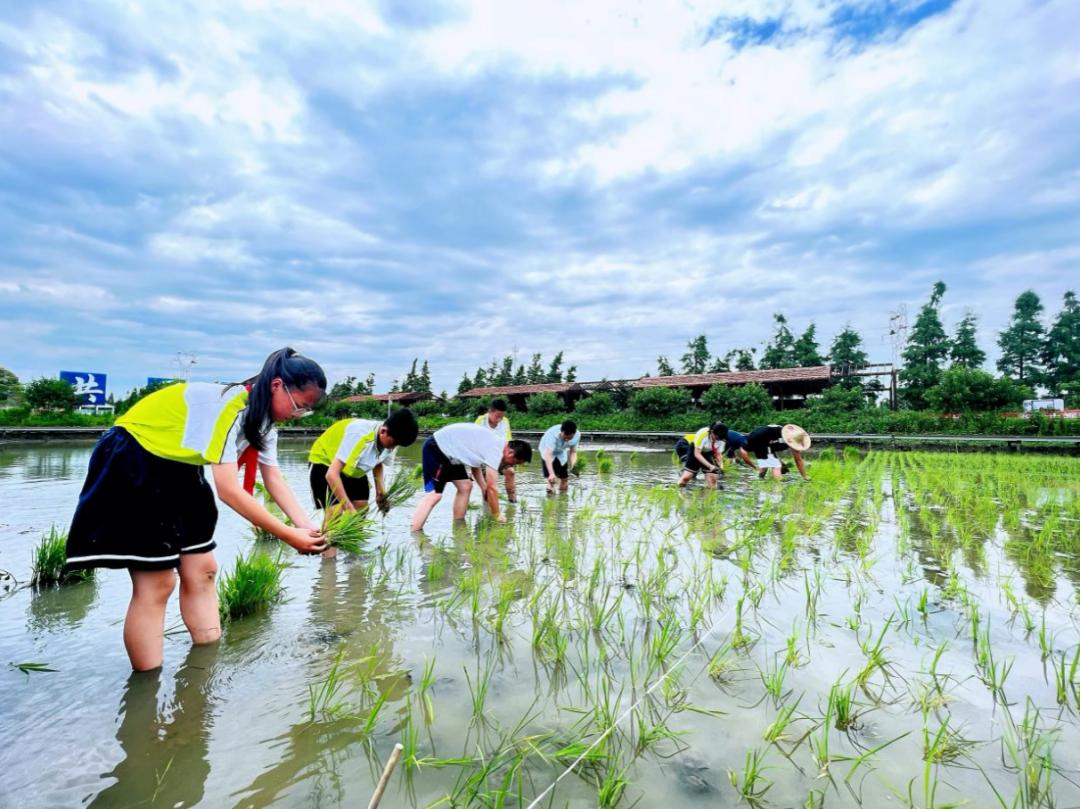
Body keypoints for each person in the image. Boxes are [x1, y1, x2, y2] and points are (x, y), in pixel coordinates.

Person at [65, 348, 328, 671]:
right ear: (277, 386)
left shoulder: (263, 422)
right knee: (157, 583)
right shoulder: (231, 408)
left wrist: (308, 527)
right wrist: (289, 535)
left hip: (179, 467)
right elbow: (229, 490)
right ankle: (146, 695)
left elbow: (272, 477)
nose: (299, 415)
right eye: (300, 406)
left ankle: (204, 673)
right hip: (136, 456)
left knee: (202, 570)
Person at [410, 422, 532, 531]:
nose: (511, 466)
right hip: (437, 448)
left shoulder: (493, 444)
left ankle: (458, 527)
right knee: (434, 495)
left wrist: (482, 486)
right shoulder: (496, 449)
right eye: (514, 463)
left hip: (452, 453)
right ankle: (414, 532)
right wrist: (497, 515)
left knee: (465, 486)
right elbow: (493, 488)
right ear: (510, 452)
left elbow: (475, 466)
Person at [308, 409, 419, 513]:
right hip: (325, 462)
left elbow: (378, 462)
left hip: (352, 466)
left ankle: (355, 532)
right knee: (336, 511)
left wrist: (380, 492)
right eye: (394, 444)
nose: (393, 449)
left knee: (362, 507)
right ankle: (329, 533)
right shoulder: (358, 434)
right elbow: (331, 475)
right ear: (383, 431)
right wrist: (348, 508)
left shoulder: (392, 439)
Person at [475, 398, 517, 502]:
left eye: (502, 417)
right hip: (484, 457)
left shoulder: (505, 421)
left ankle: (512, 501)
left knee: (510, 472)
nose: (499, 420)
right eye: (497, 416)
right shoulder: (481, 420)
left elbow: (508, 441)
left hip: (500, 454)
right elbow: (474, 442)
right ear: (490, 411)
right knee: (489, 483)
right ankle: (487, 506)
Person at [745, 423, 812, 481]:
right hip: (759, 439)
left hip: (755, 436)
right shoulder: (790, 440)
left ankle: (759, 480)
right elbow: (798, 460)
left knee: (766, 464)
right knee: (777, 466)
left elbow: (771, 448)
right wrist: (805, 476)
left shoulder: (785, 433)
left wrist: (781, 462)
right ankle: (777, 486)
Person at [675, 422, 726, 488]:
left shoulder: (723, 439)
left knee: (712, 479)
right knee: (687, 477)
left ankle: (707, 496)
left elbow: (718, 454)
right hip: (695, 450)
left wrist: (721, 467)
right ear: (712, 432)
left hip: (708, 452)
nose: (717, 440)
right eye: (716, 437)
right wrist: (710, 466)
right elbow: (697, 454)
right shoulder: (703, 434)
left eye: (719, 439)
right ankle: (678, 491)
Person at [539, 419, 580, 493]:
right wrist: (551, 474)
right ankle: (550, 502)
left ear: (574, 434)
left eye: (569, 438)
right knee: (551, 480)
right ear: (562, 432)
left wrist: (573, 465)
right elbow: (548, 454)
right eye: (565, 438)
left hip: (561, 452)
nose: (567, 440)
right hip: (547, 452)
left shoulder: (577, 435)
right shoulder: (552, 435)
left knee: (564, 479)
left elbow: (573, 452)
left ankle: (563, 500)